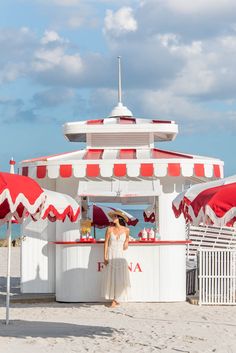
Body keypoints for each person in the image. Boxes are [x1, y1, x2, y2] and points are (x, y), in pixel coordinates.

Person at [102, 210, 131, 307]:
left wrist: (127, 241)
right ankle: (114, 299)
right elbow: (106, 243)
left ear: (119, 218)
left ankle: (117, 298)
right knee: (112, 277)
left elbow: (127, 238)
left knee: (119, 277)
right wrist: (105, 256)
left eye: (114, 217)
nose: (113, 218)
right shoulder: (109, 229)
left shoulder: (126, 230)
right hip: (111, 254)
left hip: (121, 255)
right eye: (113, 217)